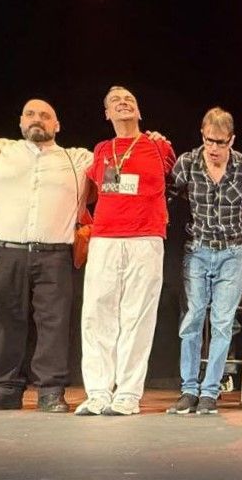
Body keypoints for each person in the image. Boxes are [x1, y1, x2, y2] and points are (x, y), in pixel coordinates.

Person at [0, 99, 94, 413]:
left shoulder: (78, 158)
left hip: (55, 255)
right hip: (5, 252)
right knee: (5, 321)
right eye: (30, 114)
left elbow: (118, 162)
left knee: (54, 323)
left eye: (45, 115)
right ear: (21, 121)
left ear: (57, 125)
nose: (37, 119)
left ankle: (50, 391)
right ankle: (6, 389)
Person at [76, 86, 176, 416]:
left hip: (145, 238)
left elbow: (176, 179)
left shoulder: (158, 146)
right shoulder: (102, 149)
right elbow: (91, 188)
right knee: (96, 314)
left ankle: (128, 394)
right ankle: (98, 392)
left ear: (139, 111)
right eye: (116, 101)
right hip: (104, 238)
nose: (123, 103)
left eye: (129, 99)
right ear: (107, 114)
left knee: (137, 316)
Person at [168, 107, 242, 415]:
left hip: (231, 253)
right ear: (202, 135)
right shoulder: (187, 163)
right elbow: (169, 193)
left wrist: (239, 218)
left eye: (220, 142)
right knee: (192, 319)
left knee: (223, 323)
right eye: (209, 140)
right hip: (197, 250)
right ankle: (188, 389)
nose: (214, 148)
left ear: (231, 140)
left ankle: (210, 391)